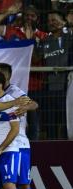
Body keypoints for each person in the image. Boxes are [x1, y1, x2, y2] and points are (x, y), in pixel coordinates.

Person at [0, 63, 42, 189]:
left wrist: (25, 107)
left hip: (19, 143)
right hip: (0, 144)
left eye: (0, 74)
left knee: (22, 185)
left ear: (7, 76)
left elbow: (34, 104)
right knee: (1, 186)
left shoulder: (15, 92)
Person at [37, 10, 73, 139]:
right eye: (49, 21)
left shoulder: (70, 36)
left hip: (67, 86)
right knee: (51, 122)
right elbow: (37, 57)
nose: (51, 23)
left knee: (66, 121)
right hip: (50, 88)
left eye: (54, 20)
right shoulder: (44, 40)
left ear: (63, 21)